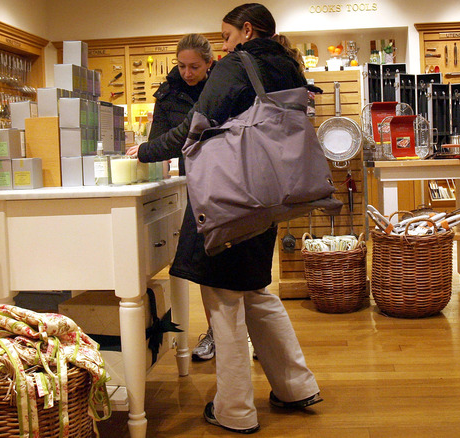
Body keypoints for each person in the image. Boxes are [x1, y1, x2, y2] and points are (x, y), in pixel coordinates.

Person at [133, 3, 322, 434]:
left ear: (247, 30)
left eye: (225, 35)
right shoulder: (290, 67)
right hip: (271, 195)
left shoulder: (237, 64)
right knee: (256, 291)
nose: (223, 44)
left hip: (231, 199)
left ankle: (234, 410)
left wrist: (144, 151)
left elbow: (195, 128)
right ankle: (295, 386)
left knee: (223, 301)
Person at [126, 33, 217, 361]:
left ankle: (241, 332)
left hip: (224, 177)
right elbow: (160, 138)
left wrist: (155, 149)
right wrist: (151, 155)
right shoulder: (167, 94)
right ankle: (217, 334)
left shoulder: (221, 86)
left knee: (230, 262)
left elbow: (190, 133)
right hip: (191, 180)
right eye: (181, 66)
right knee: (204, 262)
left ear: (209, 63)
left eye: (194, 66)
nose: (188, 72)